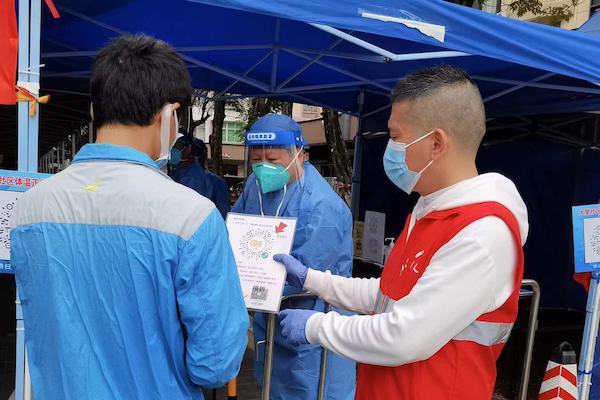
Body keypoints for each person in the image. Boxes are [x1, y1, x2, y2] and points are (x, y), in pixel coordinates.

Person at [10, 34, 248, 400]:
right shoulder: (192, 216)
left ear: (94, 111)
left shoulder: (29, 208)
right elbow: (215, 363)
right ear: (168, 115)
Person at [275, 65, 529, 400]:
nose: (390, 148)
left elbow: (403, 336)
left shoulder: (482, 234)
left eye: (395, 137)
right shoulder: (429, 211)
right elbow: (387, 294)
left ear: (436, 143)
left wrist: (315, 327)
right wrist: (314, 280)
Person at [232, 113, 356, 400]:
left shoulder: (320, 206)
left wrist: (250, 287)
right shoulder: (255, 185)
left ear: (300, 155)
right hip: (270, 318)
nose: (263, 167)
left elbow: (308, 275)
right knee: (273, 386)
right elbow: (236, 229)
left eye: (273, 159)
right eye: (256, 160)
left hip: (311, 319)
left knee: (312, 389)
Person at [170, 134, 231, 218]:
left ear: (188, 150)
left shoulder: (202, 179)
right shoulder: (174, 175)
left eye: (177, 147)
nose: (173, 150)